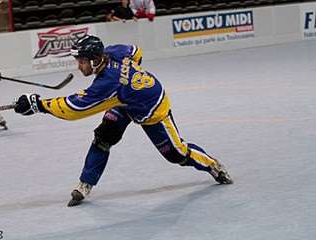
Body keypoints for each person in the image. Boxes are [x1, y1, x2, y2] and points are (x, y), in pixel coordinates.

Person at [14, 35, 233, 207]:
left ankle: (212, 165)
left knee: (177, 155)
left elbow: (73, 109)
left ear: (94, 59)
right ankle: (85, 184)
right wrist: (132, 81)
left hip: (153, 110)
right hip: (125, 102)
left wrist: (38, 105)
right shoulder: (113, 52)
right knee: (103, 137)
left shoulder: (107, 85)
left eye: (81, 61)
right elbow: (136, 51)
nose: (78, 66)